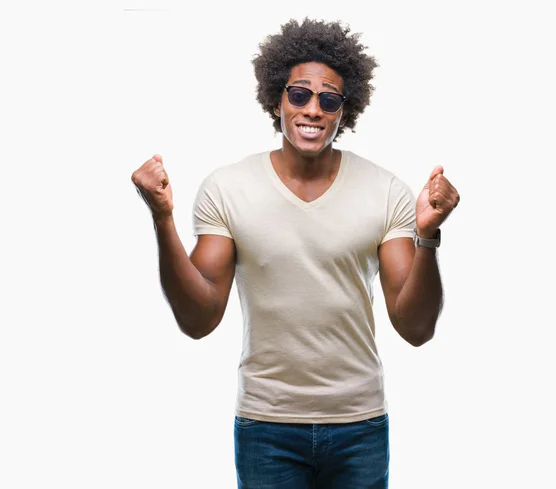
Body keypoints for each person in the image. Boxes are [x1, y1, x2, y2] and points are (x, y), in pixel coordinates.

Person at [131, 17, 460, 489]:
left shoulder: (386, 191)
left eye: (329, 99)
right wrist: (162, 218)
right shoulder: (228, 189)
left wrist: (427, 236)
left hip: (359, 424)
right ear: (276, 99)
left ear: (344, 111)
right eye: (299, 94)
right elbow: (198, 318)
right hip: (266, 425)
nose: (312, 109)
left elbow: (416, 328)